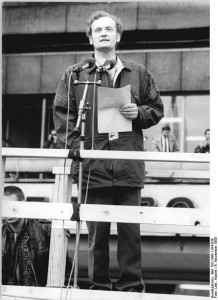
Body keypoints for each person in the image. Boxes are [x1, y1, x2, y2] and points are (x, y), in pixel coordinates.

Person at [53, 10, 164, 292]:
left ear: (118, 36)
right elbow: (63, 116)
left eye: (109, 29)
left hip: (127, 166)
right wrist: (80, 150)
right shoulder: (75, 75)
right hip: (93, 168)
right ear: (91, 38)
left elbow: (156, 109)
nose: (103, 33)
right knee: (97, 237)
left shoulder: (138, 73)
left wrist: (137, 112)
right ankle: (98, 289)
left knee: (130, 235)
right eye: (98, 30)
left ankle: (132, 290)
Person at [2, 186, 50, 286]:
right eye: (4, 207)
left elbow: (66, 268)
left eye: (13, 207)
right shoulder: (2, 234)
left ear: (23, 204)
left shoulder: (44, 230)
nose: (8, 213)